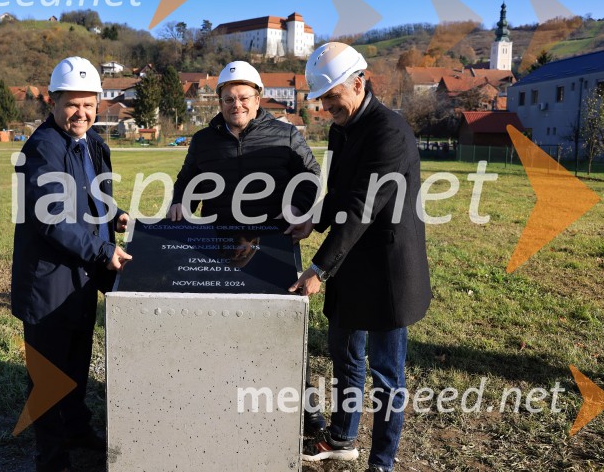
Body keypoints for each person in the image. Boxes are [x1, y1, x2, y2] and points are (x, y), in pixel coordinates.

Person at [290, 43, 432, 471]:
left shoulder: (390, 132)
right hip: (351, 265)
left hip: (389, 271)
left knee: (387, 376)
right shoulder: (342, 128)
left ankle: (382, 462)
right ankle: (343, 438)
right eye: (323, 98)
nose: (327, 105)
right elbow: (341, 193)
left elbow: (362, 208)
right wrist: (313, 221)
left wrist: (319, 267)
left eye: (334, 94)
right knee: (345, 357)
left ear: (359, 81)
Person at [168, 61, 326, 432]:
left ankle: (306, 407)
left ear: (257, 99)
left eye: (243, 97)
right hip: (219, 243)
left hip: (273, 241)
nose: (235, 104)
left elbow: (310, 176)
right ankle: (222, 396)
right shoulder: (205, 140)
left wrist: (298, 207)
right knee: (218, 325)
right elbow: (187, 178)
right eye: (227, 98)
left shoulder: (285, 135)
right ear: (218, 102)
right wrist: (180, 201)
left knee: (283, 327)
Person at [11, 56, 132, 472]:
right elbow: (52, 218)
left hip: (81, 279)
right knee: (48, 378)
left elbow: (94, 194)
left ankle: (78, 431)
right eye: (72, 104)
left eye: (89, 104)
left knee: (77, 366)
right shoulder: (42, 149)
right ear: (52, 100)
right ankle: (52, 457)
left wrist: (113, 213)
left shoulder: (92, 143)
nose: (81, 113)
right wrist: (103, 251)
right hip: (49, 285)